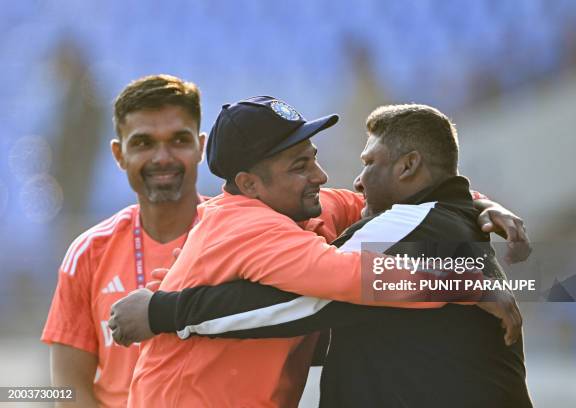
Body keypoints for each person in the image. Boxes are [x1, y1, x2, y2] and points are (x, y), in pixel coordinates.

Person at [116, 96, 529, 407]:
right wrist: (468, 287)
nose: (321, 175)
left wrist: (479, 203)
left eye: (312, 157)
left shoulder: (299, 204)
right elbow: (350, 280)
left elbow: (420, 199)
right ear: (250, 184)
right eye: (299, 166)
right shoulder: (251, 228)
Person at [41, 74, 206, 407]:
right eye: (144, 143)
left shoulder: (237, 236)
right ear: (119, 154)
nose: (163, 157)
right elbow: (69, 389)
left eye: (178, 140)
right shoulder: (88, 253)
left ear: (201, 147)